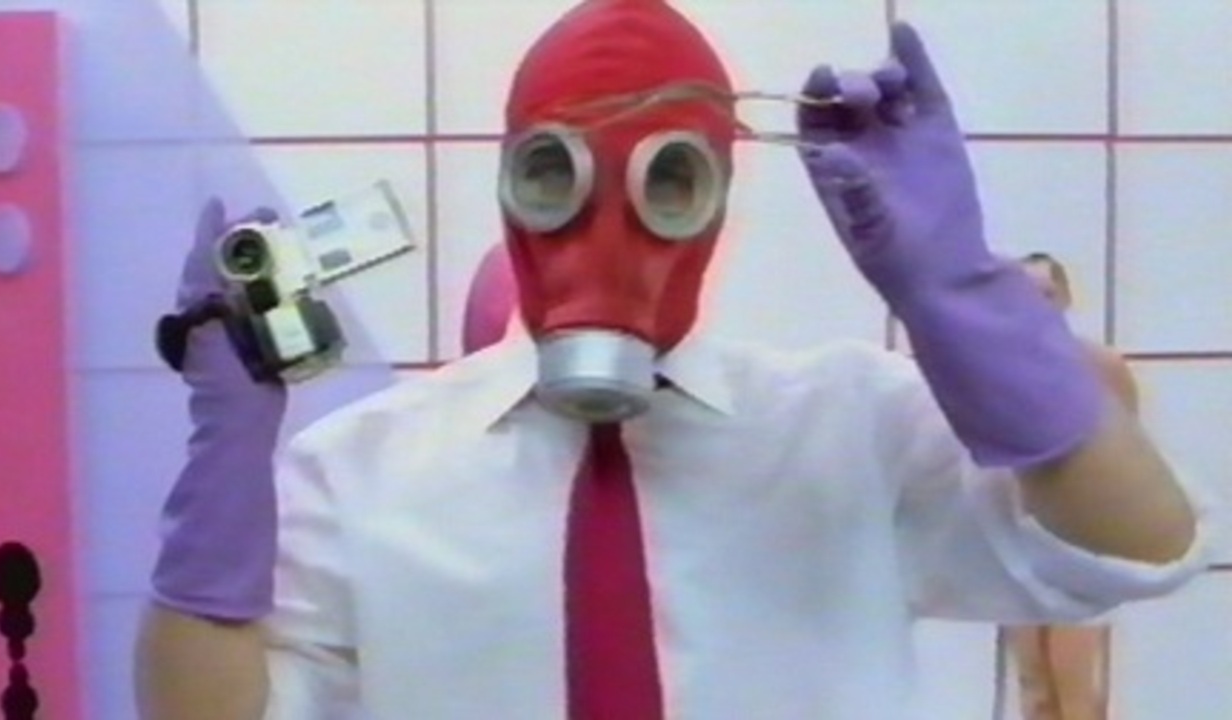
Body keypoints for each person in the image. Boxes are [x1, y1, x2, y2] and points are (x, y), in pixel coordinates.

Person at [134, 2, 1208, 718]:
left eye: (667, 184)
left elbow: (1140, 548)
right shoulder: (358, 471)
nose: (607, 230)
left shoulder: (852, 425)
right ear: (511, 184)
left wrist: (965, 304)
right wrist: (224, 467)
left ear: (719, 199)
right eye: (555, 176)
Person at [1001, 252, 1139, 720]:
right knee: (1035, 684)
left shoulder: (1100, 365)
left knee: (1074, 684)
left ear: (1063, 297)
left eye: (1046, 293)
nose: (1037, 304)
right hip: (1023, 535)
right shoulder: (1001, 370)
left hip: (1083, 540)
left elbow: (1132, 452)